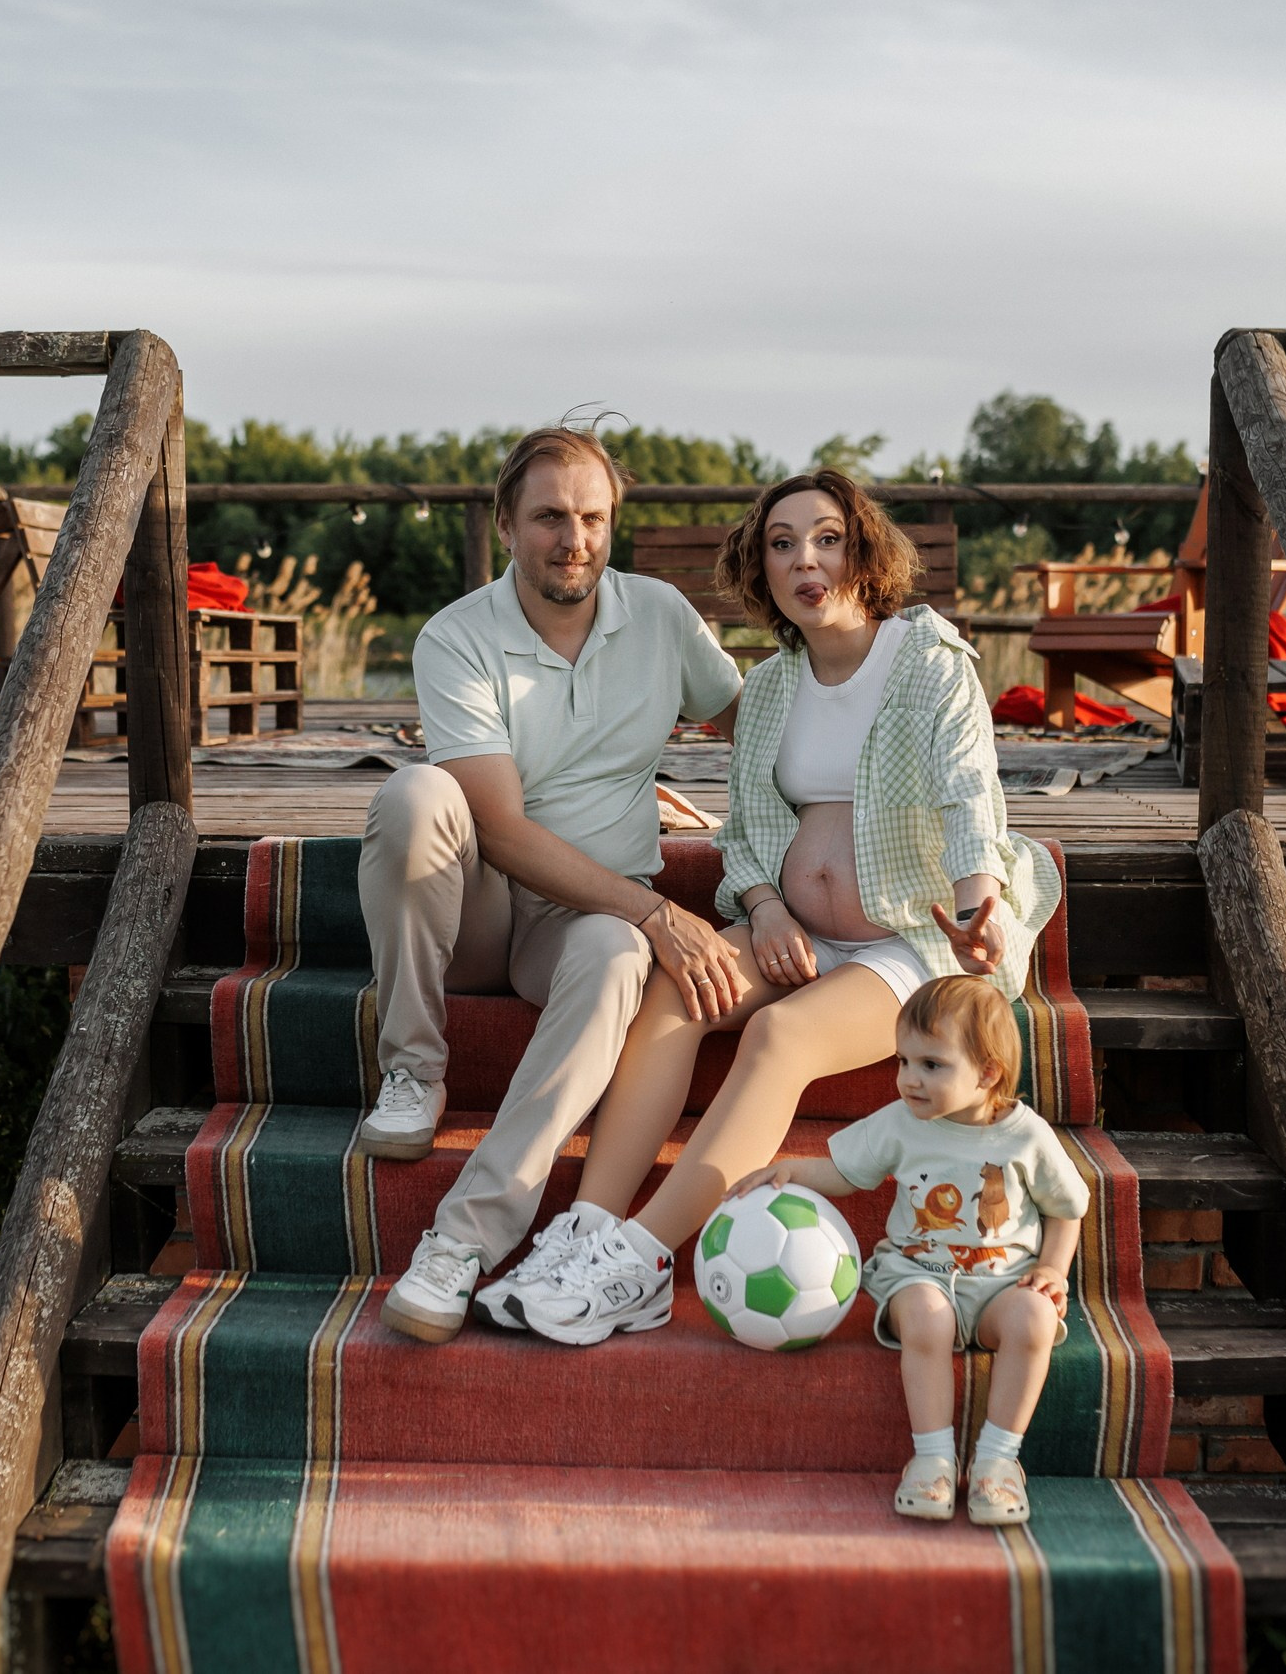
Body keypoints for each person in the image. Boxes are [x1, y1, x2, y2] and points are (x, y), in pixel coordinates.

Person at [491, 468, 1062, 1345]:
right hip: (795, 932)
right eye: (783, 544)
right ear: (763, 570)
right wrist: (762, 906)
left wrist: (977, 898)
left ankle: (640, 1259)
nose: (807, 560)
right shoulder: (768, 692)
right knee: (681, 988)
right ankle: (589, 1229)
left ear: (862, 550)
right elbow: (750, 832)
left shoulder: (928, 663)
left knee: (777, 1035)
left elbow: (967, 795)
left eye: (827, 538)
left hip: (908, 937)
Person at [365, 426, 748, 1343]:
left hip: (582, 935)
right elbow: (495, 827)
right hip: (483, 913)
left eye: (591, 516)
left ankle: (460, 1240)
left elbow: (761, 727)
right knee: (417, 796)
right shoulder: (457, 637)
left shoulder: (660, 618)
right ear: (506, 524)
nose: (572, 538)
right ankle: (413, 1068)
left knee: (618, 953)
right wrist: (659, 909)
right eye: (548, 516)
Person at [726, 976, 1087, 1526]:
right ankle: (934, 1459)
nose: (908, 1081)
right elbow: (846, 1174)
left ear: (987, 1073)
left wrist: (1053, 1270)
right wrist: (792, 1169)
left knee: (1036, 1319)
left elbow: (1067, 1207)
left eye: (931, 1066)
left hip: (999, 1286)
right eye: (903, 1062)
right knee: (926, 1316)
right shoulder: (901, 1123)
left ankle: (996, 1462)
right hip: (916, 1273)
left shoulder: (1026, 1136)